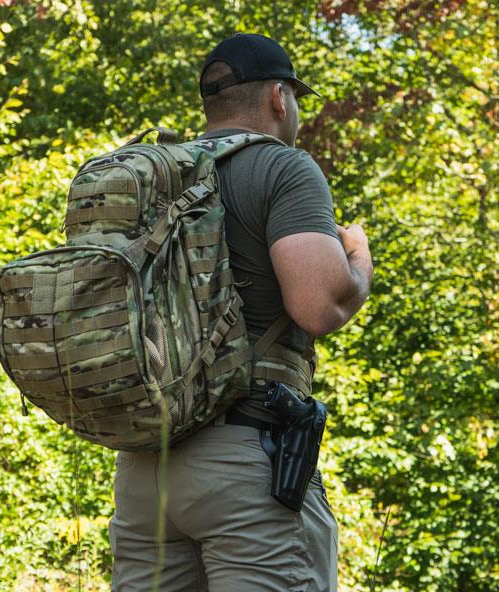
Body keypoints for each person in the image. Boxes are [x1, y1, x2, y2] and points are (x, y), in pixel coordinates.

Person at [108, 33, 373, 592]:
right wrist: (358, 261)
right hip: (245, 460)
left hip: (143, 471)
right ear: (280, 97)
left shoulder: (152, 176)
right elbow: (319, 304)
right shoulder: (283, 169)